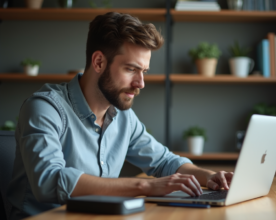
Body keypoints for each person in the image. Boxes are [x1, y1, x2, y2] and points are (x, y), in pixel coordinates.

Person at [7, 12, 233, 219]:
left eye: (144, 71)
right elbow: (48, 181)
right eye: (131, 69)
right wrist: (144, 187)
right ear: (98, 62)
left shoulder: (123, 117)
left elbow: (164, 161)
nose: (140, 83)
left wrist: (209, 176)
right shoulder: (44, 108)